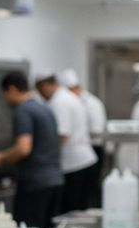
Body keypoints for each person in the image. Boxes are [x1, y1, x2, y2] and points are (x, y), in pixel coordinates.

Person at [0, 71, 63, 228]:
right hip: (54, 180)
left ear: (12, 89)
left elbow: (23, 148)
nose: (6, 99)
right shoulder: (44, 108)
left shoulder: (23, 111)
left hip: (35, 183)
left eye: (5, 94)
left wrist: (0, 158)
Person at [35, 73, 98, 215]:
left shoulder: (59, 102)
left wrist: (44, 154)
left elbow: (62, 134)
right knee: (80, 211)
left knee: (71, 212)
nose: (41, 95)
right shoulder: (68, 97)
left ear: (45, 86)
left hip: (74, 164)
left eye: (40, 91)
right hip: (84, 160)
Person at [60, 68, 106, 209]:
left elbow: (97, 130)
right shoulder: (74, 101)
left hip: (94, 148)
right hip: (86, 150)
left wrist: (80, 136)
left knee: (86, 196)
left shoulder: (92, 103)